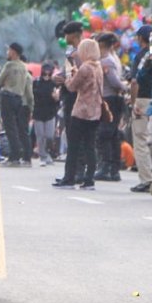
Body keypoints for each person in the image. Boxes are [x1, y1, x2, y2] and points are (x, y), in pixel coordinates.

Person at [54, 38, 103, 191]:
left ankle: (69, 178)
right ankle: (89, 180)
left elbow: (72, 87)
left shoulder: (85, 68)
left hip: (81, 110)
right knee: (90, 146)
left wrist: (68, 76)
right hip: (95, 111)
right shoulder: (98, 67)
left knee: (74, 146)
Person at [96, 32, 128, 182]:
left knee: (105, 134)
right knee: (112, 135)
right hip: (111, 98)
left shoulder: (106, 61)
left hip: (110, 99)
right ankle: (113, 169)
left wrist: (123, 87)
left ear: (102, 44)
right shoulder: (108, 59)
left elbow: (114, 81)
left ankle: (107, 167)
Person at [127, 26, 152, 193]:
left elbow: (134, 82)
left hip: (143, 99)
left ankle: (147, 179)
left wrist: (133, 103)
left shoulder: (142, 57)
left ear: (140, 38)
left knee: (141, 140)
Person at [0, 42, 34, 167]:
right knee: (21, 130)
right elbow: (27, 90)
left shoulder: (9, 65)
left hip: (7, 97)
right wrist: (31, 105)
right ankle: (24, 156)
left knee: (10, 128)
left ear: (13, 52)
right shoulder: (24, 68)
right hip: (19, 99)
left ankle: (14, 156)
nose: (7, 52)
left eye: (9, 50)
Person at [31, 62, 59, 166]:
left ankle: (48, 153)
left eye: (49, 70)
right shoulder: (36, 82)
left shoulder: (54, 84)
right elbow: (32, 95)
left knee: (49, 136)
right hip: (38, 112)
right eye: (45, 70)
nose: (47, 73)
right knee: (40, 136)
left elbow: (58, 100)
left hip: (50, 112)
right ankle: (43, 157)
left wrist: (56, 98)